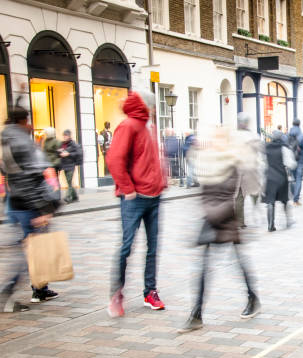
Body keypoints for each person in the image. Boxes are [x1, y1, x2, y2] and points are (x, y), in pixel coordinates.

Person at [180, 126, 260, 333]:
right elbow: (204, 194)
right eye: (213, 138)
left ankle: (253, 298)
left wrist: (211, 214)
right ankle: (196, 314)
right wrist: (207, 213)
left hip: (226, 218)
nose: (215, 142)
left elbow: (230, 196)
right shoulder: (207, 162)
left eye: (219, 139)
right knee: (204, 269)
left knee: (238, 263)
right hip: (211, 218)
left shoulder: (233, 163)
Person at [107, 90, 167, 317]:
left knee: (153, 247)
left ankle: (150, 291)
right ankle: (116, 294)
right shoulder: (129, 125)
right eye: (152, 107)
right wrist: (128, 189)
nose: (153, 111)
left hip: (154, 197)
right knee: (127, 246)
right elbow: (114, 159)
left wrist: (162, 181)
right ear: (147, 106)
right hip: (134, 198)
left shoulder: (150, 127)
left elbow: (151, 159)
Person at [1, 104, 60, 310]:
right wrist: (44, 209)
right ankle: (8, 292)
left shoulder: (5, 139)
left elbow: (8, 172)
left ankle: (41, 288)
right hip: (28, 205)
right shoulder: (23, 143)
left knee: (31, 247)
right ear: (24, 121)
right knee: (32, 250)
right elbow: (32, 177)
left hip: (14, 202)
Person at [234, 113, 264, 228]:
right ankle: (256, 211)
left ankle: (240, 221)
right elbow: (261, 150)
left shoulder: (233, 136)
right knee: (255, 191)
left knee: (239, 196)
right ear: (247, 123)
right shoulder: (253, 136)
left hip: (237, 169)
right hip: (251, 168)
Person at [264, 130, 291, 232]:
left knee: (270, 201)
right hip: (281, 177)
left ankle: (270, 225)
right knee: (284, 199)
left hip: (270, 177)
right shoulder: (283, 148)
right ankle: (288, 221)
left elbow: (262, 163)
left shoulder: (266, 147)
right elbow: (290, 163)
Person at [288, 119, 303, 206]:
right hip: (300, 160)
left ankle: (294, 196)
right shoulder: (302, 136)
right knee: (298, 180)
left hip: (290, 159)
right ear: (299, 124)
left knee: (293, 179)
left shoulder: (288, 135)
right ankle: (295, 199)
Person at [58, 129, 82, 203]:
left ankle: (68, 197)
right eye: (64, 135)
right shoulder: (62, 144)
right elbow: (59, 151)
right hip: (64, 165)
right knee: (69, 182)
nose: (64, 137)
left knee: (69, 180)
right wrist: (59, 152)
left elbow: (78, 153)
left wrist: (69, 154)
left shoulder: (73, 144)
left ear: (69, 136)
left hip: (71, 165)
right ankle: (75, 197)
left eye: (66, 136)